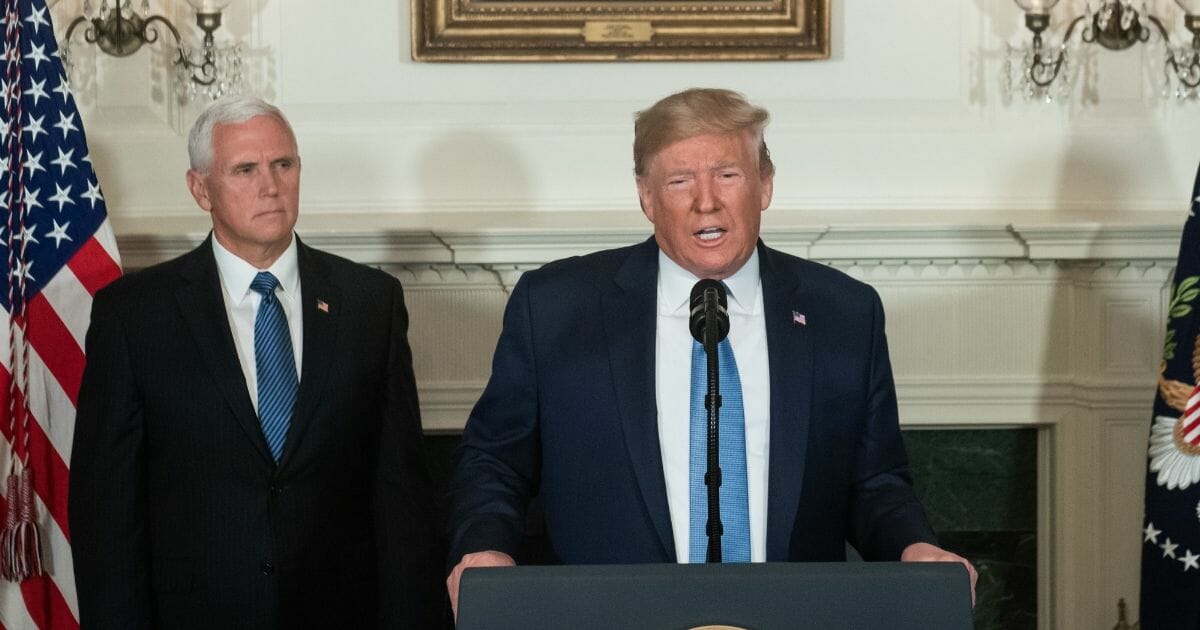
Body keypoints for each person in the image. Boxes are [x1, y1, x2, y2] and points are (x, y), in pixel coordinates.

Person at [446, 88, 976, 614]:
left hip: (793, 616)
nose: (706, 201)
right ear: (646, 197)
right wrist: (486, 548)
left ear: (765, 184)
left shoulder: (844, 313)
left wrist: (915, 547)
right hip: (609, 616)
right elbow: (496, 462)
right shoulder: (557, 308)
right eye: (680, 181)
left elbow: (876, 480)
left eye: (728, 174)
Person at [70, 96, 445, 629]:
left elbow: (402, 495)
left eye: (283, 165)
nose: (270, 185)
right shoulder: (135, 317)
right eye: (245, 169)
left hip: (340, 614)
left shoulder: (370, 302)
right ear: (200, 188)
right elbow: (106, 515)